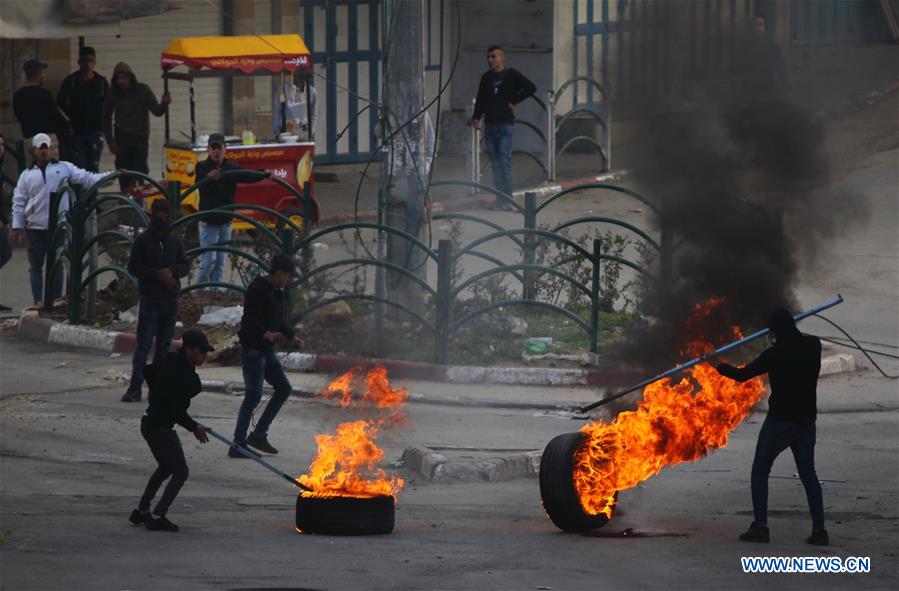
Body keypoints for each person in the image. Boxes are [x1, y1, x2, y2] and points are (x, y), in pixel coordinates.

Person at [711, 308, 828, 546]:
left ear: (776, 332)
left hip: (781, 421)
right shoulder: (813, 346)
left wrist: (717, 365)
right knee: (809, 474)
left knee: (760, 470)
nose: (771, 336)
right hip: (806, 421)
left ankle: (761, 527)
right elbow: (801, 339)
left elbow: (742, 376)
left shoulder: (775, 354)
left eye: (772, 332)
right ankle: (819, 531)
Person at [10, 133, 111, 306]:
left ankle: (56, 300)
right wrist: (18, 226)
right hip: (35, 227)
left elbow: (87, 178)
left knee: (57, 264)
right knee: (36, 266)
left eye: (46, 148)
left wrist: (111, 176)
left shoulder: (64, 168)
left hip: (58, 226)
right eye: (40, 148)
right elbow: (19, 201)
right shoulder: (26, 175)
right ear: (34, 151)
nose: (43, 151)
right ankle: (38, 301)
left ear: (51, 149)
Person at [128, 328, 213, 533]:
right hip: (159, 428)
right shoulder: (181, 374)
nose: (204, 356)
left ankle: (141, 510)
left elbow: (148, 371)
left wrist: (156, 396)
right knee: (180, 471)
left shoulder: (172, 360)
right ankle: (157, 515)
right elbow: (176, 410)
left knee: (166, 467)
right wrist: (194, 427)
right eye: (201, 351)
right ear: (189, 350)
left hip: (150, 423)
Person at [230, 253, 298, 458]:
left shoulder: (277, 292)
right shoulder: (258, 289)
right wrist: (266, 333)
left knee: (284, 389)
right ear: (278, 273)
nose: (288, 281)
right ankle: (238, 444)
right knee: (253, 394)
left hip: (266, 351)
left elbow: (278, 321)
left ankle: (259, 434)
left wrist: (291, 336)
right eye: (287, 276)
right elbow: (249, 320)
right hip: (253, 349)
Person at [122, 200, 189, 403]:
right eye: (159, 215)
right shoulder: (143, 241)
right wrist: (156, 274)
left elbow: (184, 265)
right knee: (143, 346)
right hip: (150, 300)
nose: (163, 219)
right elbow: (133, 267)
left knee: (164, 348)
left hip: (169, 301)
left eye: (166, 215)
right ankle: (135, 388)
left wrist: (173, 272)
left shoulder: (174, 242)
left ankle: (156, 389)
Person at [194, 133, 270, 290]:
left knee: (220, 261)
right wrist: (208, 177)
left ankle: (215, 293)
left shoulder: (231, 167)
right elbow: (199, 182)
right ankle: (197, 293)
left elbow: (247, 176)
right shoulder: (201, 167)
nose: (216, 151)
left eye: (219, 148)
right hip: (209, 222)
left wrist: (264, 174)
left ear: (225, 149)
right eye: (213, 148)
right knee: (209, 260)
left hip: (226, 221)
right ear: (208, 150)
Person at [470, 45, 536, 211]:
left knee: (504, 161)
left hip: (505, 124)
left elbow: (531, 87)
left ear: (502, 58)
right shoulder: (486, 78)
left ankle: (509, 199)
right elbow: (481, 99)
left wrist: (514, 100)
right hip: (490, 124)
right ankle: (500, 199)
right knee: (495, 163)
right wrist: (476, 117)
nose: (490, 60)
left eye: (493, 56)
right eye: (488, 57)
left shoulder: (511, 75)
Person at [103, 62, 171, 193]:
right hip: (121, 143)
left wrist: (164, 104)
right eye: (119, 78)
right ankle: (125, 207)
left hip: (140, 141)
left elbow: (156, 111)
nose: (122, 81)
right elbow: (105, 118)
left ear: (131, 77)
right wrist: (110, 141)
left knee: (140, 175)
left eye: (124, 77)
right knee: (123, 176)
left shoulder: (143, 90)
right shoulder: (113, 93)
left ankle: (138, 207)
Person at [57, 46, 110, 173]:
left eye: (91, 60)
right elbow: (59, 104)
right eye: (85, 60)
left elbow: (109, 107)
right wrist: (68, 123)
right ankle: (81, 192)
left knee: (93, 166)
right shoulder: (71, 81)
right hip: (77, 132)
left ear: (95, 61)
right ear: (79, 62)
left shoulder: (101, 82)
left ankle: (92, 192)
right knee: (79, 166)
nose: (88, 64)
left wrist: (105, 128)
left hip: (95, 131)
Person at [12, 59, 72, 143]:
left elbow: (18, 114)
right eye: (43, 73)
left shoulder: (18, 95)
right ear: (38, 74)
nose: (44, 75)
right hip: (47, 138)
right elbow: (55, 115)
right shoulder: (44, 94)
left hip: (29, 138)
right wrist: (68, 126)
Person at [734, 14, 790, 103]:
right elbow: (740, 61)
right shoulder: (746, 43)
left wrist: (784, 81)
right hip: (751, 82)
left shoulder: (770, 43)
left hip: (767, 80)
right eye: (757, 24)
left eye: (761, 24)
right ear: (752, 26)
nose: (759, 27)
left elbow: (779, 63)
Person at [272, 72, 317, 141]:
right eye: (297, 75)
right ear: (293, 75)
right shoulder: (283, 89)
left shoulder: (311, 92)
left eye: (302, 76)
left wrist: (311, 132)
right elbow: (276, 111)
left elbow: (313, 114)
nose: (300, 79)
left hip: (304, 134)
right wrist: (277, 132)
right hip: (286, 134)